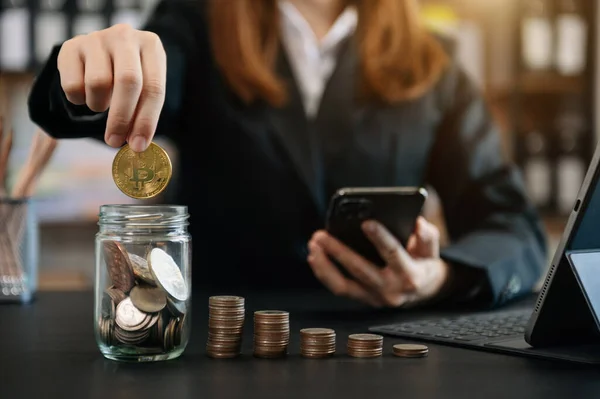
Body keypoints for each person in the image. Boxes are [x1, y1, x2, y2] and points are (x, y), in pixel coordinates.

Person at [27, 0, 547, 309]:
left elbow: (514, 230)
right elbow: (125, 84)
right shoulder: (196, 20)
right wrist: (82, 73)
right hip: (219, 345)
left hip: (382, 350)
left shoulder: (437, 59)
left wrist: (438, 279)